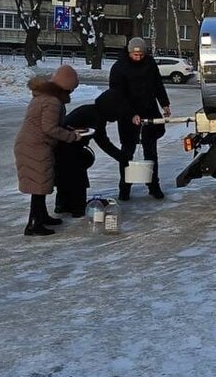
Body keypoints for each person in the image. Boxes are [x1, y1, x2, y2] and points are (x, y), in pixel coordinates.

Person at [14, 65, 81, 236]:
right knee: (38, 186)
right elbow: (49, 128)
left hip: (30, 144)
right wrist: (72, 136)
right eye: (72, 88)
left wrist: (67, 129)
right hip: (36, 146)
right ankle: (34, 224)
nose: (72, 92)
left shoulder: (44, 96)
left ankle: (41, 217)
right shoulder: (52, 101)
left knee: (40, 185)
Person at [53, 88, 133, 216]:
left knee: (66, 177)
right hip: (67, 147)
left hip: (65, 148)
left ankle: (62, 204)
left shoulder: (93, 111)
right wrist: (122, 157)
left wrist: (121, 157)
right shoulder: (95, 116)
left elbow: (102, 141)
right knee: (77, 178)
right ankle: (76, 207)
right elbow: (103, 142)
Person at [109, 37, 171, 200]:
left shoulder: (150, 64)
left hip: (149, 112)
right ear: (129, 52)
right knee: (127, 153)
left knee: (151, 152)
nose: (138, 57)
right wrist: (131, 114)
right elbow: (116, 95)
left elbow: (158, 85)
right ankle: (125, 188)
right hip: (127, 116)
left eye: (141, 54)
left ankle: (153, 186)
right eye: (135, 55)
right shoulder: (119, 68)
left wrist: (164, 104)